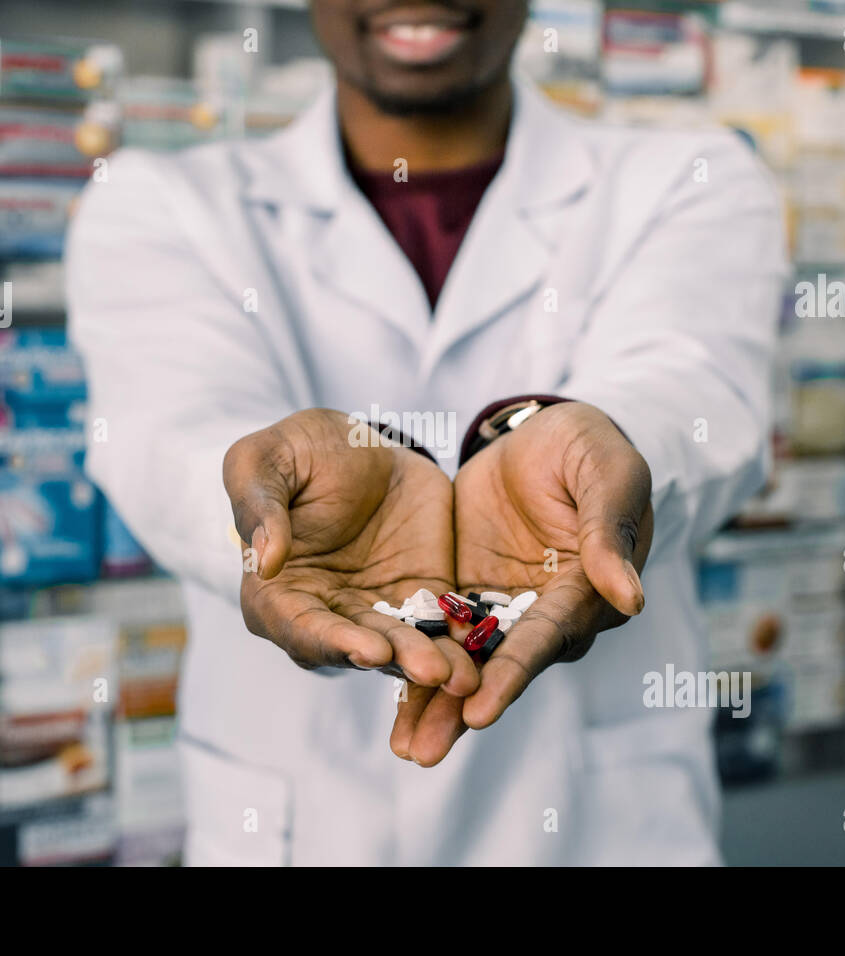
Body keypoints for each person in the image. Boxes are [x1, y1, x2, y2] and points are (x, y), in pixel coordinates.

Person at [66, 0, 786, 865]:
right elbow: (166, 430)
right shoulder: (160, 202)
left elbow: (692, 390)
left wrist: (596, 454)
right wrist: (263, 503)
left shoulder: (692, 178)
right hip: (298, 820)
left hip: (599, 824)